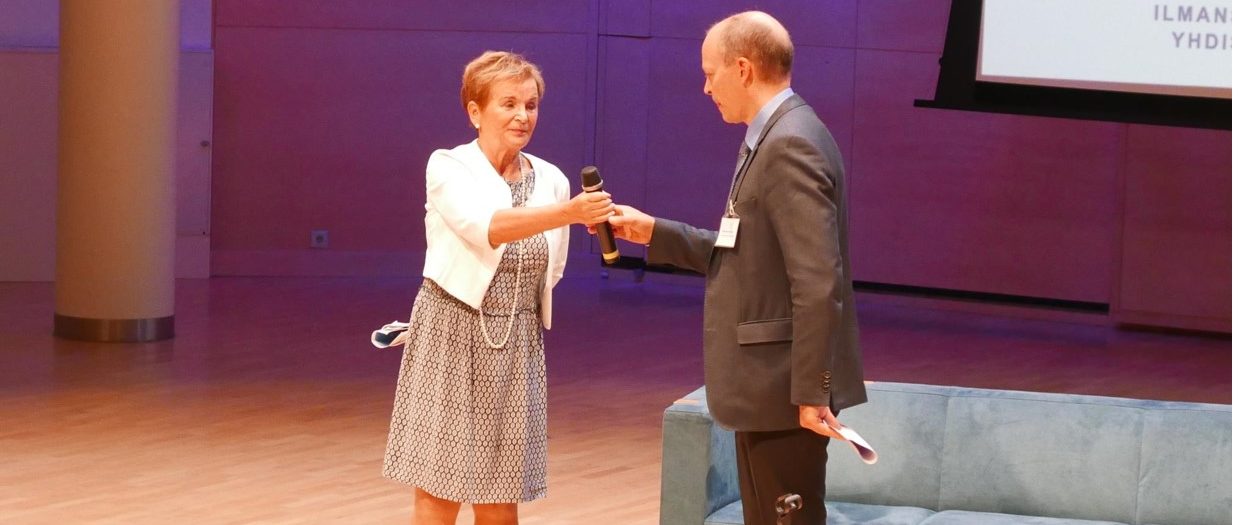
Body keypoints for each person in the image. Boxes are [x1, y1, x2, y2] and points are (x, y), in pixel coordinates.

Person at [605, 12, 866, 525]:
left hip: (784, 389)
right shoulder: (776, 135)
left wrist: (812, 391)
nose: (706, 88)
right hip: (768, 389)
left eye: (711, 73)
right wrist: (655, 232)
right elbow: (744, 251)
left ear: (743, 69)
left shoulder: (789, 142)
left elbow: (818, 281)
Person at [383, 51, 613, 525]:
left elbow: (552, 267)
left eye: (530, 105)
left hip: (516, 341)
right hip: (450, 335)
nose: (522, 116)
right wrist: (570, 212)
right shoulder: (448, 166)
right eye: (508, 104)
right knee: (439, 487)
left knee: (500, 492)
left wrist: (569, 214)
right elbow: (484, 227)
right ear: (475, 111)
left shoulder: (551, 179)